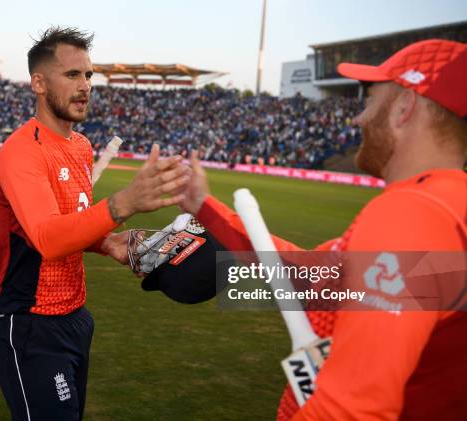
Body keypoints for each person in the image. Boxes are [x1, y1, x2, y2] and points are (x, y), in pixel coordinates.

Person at [179, 39, 466, 420]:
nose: (359, 119)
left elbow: (350, 408)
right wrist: (205, 207)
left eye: (369, 101)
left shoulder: (412, 212)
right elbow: (310, 272)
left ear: (403, 108)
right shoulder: (445, 207)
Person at [0, 26, 189, 421]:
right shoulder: (21, 151)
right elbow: (46, 237)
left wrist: (107, 242)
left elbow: (70, 222)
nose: (85, 86)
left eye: (89, 75)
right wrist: (122, 203)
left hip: (75, 318)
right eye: (72, 75)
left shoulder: (81, 147)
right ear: (39, 83)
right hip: (30, 323)